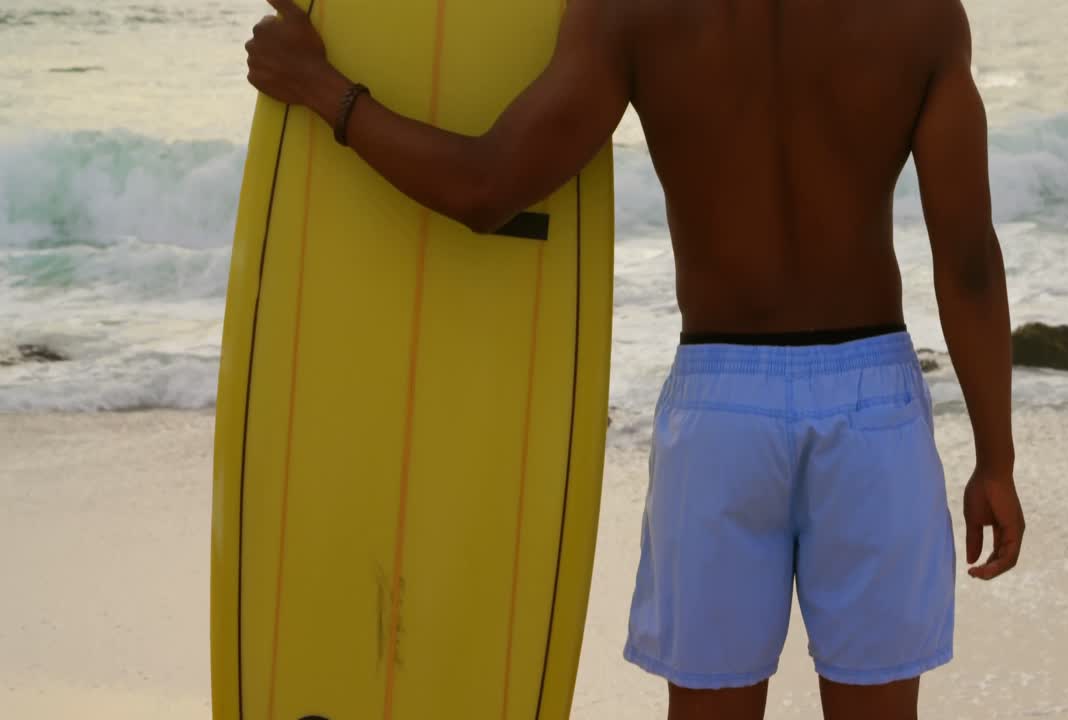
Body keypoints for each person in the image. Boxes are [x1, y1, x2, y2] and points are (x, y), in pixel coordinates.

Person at [245, 0, 1026, 717]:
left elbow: (488, 188)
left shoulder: (633, 8)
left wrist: (325, 90)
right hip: (874, 409)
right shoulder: (919, 15)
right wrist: (995, 460)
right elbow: (967, 262)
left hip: (722, 413)